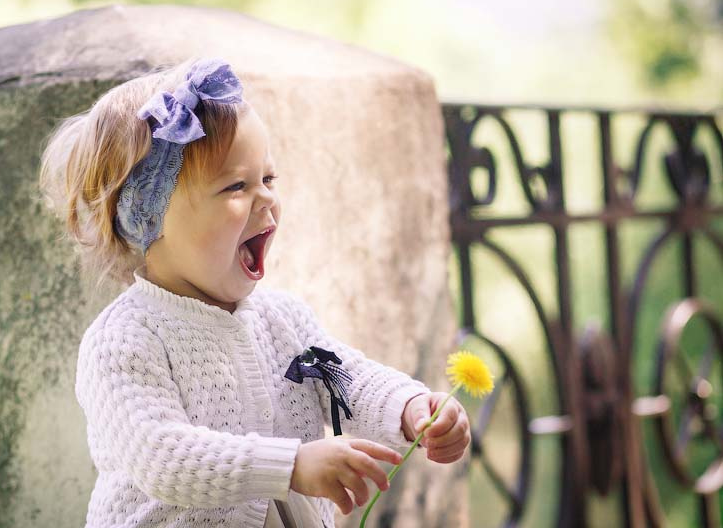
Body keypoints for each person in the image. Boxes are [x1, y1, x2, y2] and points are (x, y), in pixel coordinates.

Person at [38, 56, 472, 527]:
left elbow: (348, 379)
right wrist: (289, 466)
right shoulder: (125, 340)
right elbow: (162, 456)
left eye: (268, 179)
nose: (265, 197)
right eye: (235, 186)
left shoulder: (283, 319)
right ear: (149, 217)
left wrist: (409, 407)